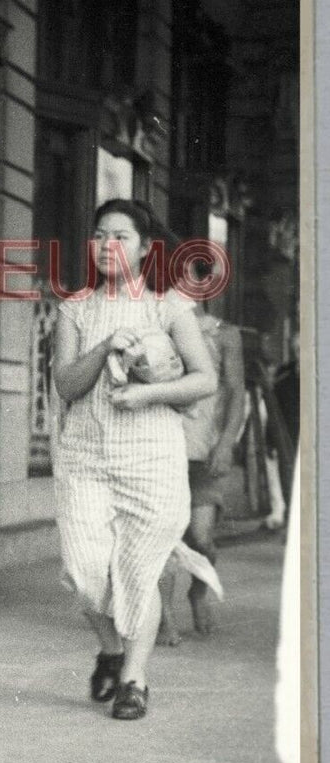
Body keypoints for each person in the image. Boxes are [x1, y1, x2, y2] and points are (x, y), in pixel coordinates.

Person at [52, 199, 218, 721]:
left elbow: (204, 378)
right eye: (100, 236)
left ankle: (134, 680)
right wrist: (103, 348)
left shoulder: (167, 306)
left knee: (139, 571)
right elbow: (66, 385)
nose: (107, 246)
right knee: (85, 574)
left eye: (120, 237)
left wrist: (146, 395)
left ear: (145, 249)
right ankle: (110, 648)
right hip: (86, 457)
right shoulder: (74, 308)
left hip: (151, 457)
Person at [158, 260, 245, 643]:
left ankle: (197, 591)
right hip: (165, 446)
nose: (184, 286)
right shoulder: (159, 327)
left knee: (201, 537)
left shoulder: (225, 335)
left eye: (191, 278)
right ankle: (161, 616)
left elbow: (237, 394)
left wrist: (227, 442)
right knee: (160, 536)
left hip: (207, 449)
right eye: (177, 278)